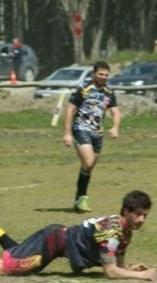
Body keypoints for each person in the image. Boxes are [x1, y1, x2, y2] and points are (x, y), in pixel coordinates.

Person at [0, 190, 156, 281]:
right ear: (125, 211)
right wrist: (141, 277)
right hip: (53, 242)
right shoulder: (112, 232)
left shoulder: (124, 232)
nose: (141, 220)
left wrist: (131, 269)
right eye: (138, 215)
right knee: (2, 269)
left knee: (17, 257)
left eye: (145, 216)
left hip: (56, 239)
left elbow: (116, 264)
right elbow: (110, 271)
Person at [63, 61, 121, 213]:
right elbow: (70, 109)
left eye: (106, 75)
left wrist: (115, 127)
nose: (103, 77)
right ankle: (82, 198)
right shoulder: (84, 89)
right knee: (88, 162)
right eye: (101, 74)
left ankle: (80, 198)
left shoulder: (109, 92)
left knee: (88, 168)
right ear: (94, 74)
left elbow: (115, 112)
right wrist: (67, 133)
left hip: (98, 133)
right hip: (81, 129)